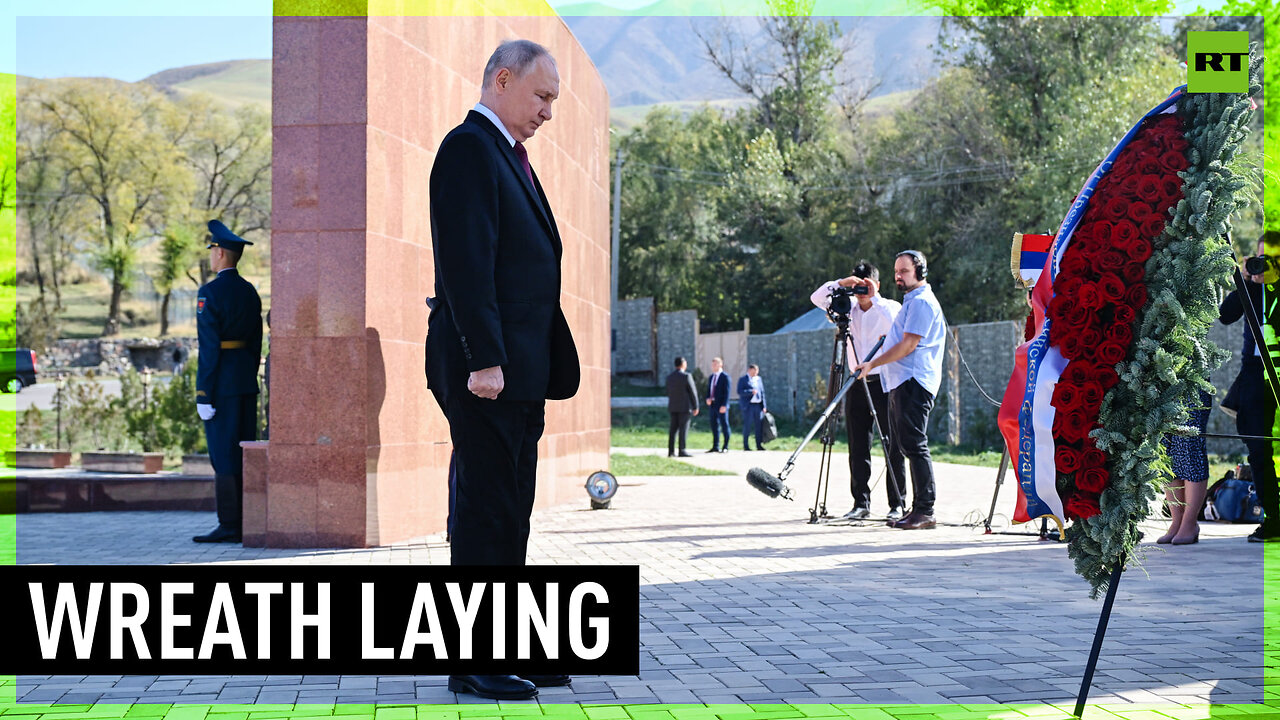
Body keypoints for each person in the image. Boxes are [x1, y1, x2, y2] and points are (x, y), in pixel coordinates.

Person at [424, 39, 579, 700]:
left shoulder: (507, 157)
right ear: (503, 79)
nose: (548, 112)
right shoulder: (468, 150)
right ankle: (473, 661)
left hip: (521, 372)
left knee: (511, 512)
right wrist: (485, 358)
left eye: (553, 101)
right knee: (486, 515)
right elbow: (467, 262)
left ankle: (507, 647)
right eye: (541, 97)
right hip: (487, 370)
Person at [852, 250, 947, 530]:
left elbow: (908, 346)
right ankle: (916, 509)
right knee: (905, 444)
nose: (898, 276)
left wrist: (872, 364)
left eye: (904, 271)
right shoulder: (911, 301)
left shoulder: (921, 303)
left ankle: (925, 509)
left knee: (914, 444)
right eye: (896, 271)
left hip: (914, 382)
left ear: (921, 272)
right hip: (902, 383)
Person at [810, 260, 907, 521]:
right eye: (858, 284)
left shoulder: (889, 307)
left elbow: (896, 325)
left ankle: (897, 503)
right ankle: (860, 502)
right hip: (855, 382)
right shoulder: (846, 307)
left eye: (867, 284)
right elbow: (817, 298)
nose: (861, 290)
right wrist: (842, 284)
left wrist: (873, 297)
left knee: (892, 443)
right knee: (858, 444)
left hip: (884, 380)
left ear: (878, 284)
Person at [192, 219, 263, 544]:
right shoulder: (249, 292)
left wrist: (203, 393)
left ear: (220, 253)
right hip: (245, 385)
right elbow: (255, 342)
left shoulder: (209, 293)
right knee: (242, 453)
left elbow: (209, 348)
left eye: (212, 250)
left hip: (220, 387)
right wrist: (247, 377)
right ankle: (246, 520)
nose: (211, 256)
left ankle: (230, 524)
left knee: (223, 455)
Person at [1220, 234, 1278, 543]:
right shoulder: (1252, 286)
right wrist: (1244, 279)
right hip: (1256, 373)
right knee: (1258, 449)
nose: (1262, 264)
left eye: (1270, 258)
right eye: (1259, 258)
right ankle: (1273, 519)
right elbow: (1225, 315)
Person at [1157, 389, 1213, 545]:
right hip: (1162, 381)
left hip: (1193, 381)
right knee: (1166, 449)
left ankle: (1189, 523)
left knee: (1189, 446)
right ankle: (1177, 521)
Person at [665, 356, 699, 457]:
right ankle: (682, 449)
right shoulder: (686, 376)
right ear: (683, 364)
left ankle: (671, 451)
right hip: (685, 407)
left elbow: (668, 391)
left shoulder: (670, 377)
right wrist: (695, 406)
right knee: (683, 429)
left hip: (673, 406)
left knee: (673, 430)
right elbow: (693, 392)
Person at [705, 356, 731, 453]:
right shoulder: (711, 377)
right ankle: (715, 446)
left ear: (721, 364)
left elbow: (727, 392)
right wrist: (708, 398)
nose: (713, 366)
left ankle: (726, 446)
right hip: (713, 404)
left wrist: (724, 405)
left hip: (722, 405)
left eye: (715, 364)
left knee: (724, 425)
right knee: (714, 425)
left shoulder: (725, 377)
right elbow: (709, 390)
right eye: (712, 364)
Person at [738, 364, 767, 450]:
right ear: (749, 370)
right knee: (747, 426)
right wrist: (750, 392)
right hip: (748, 406)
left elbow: (762, 393)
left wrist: (764, 406)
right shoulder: (743, 380)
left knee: (759, 426)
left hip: (758, 406)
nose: (755, 374)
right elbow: (740, 391)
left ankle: (759, 445)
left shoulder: (758, 379)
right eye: (754, 372)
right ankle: (746, 445)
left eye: (756, 372)